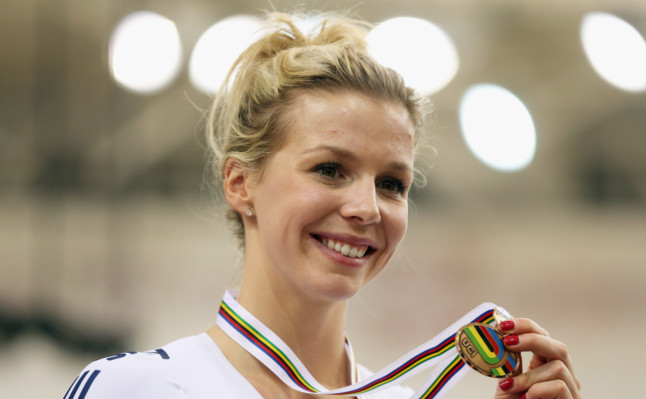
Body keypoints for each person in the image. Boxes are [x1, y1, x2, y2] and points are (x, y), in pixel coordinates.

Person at [64, 12, 582, 399]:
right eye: (330, 170)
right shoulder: (138, 388)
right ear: (241, 184)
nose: (367, 208)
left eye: (392, 184)